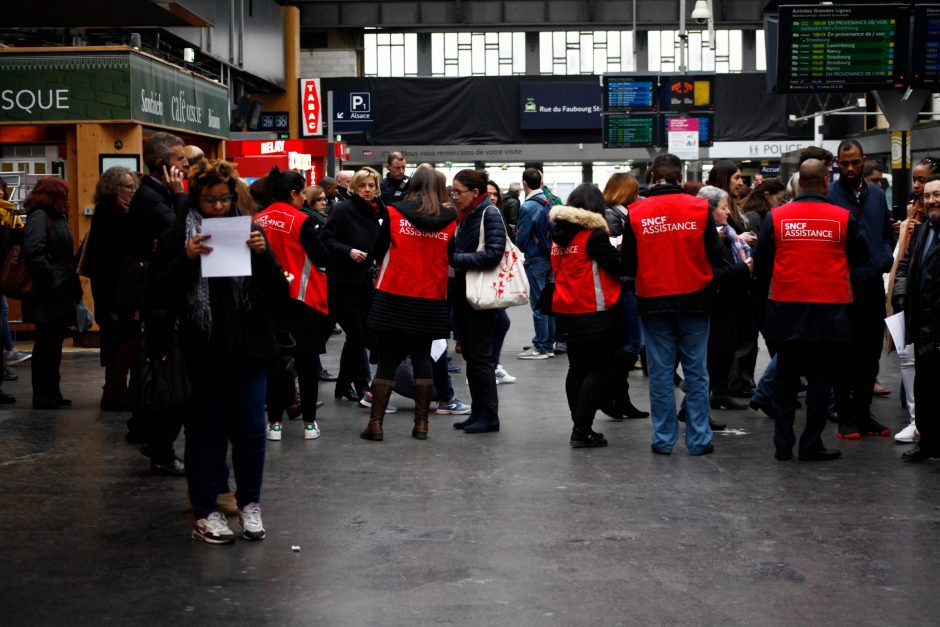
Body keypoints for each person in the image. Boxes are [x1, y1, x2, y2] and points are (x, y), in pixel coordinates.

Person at [148, 159, 288, 544]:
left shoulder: (251, 229)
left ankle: (250, 505)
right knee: (205, 434)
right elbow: (157, 292)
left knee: (250, 432)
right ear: (197, 197)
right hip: (201, 349)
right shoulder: (179, 233)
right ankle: (206, 512)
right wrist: (187, 259)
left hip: (249, 349)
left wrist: (262, 256)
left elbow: (278, 292)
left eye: (225, 199)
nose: (219, 207)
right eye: (211, 200)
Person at [754, 159, 867, 461]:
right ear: (826, 181)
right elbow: (861, 257)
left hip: (787, 310)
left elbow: (762, 262)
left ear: (800, 183)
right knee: (820, 380)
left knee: (785, 379)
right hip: (830, 313)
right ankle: (810, 443)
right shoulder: (843, 218)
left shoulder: (776, 218)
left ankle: (782, 443)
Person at [622, 153, 722, 456]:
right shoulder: (700, 208)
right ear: (680, 177)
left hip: (653, 300)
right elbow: (715, 255)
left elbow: (628, 262)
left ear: (652, 176)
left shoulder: (636, 212)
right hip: (694, 297)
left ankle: (664, 438)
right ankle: (699, 439)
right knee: (697, 370)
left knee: (662, 371)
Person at [360, 167, 458, 441]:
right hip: (430, 298)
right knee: (422, 356)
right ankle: (421, 424)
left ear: (412, 184)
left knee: (389, 359)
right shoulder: (450, 219)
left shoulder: (394, 212)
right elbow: (451, 257)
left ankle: (376, 424)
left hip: (394, 294)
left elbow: (377, 250)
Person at [254, 167, 331, 442]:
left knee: (275, 365)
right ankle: (309, 423)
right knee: (307, 365)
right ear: (293, 193)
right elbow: (321, 258)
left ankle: (274, 424)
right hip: (303, 300)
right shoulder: (304, 222)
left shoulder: (257, 220)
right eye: (302, 192)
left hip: (267, 303)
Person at [828, 139, 895, 439]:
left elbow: (884, 234)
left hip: (870, 286)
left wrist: (883, 260)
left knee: (870, 354)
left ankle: (863, 415)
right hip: (842, 287)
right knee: (843, 354)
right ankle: (846, 417)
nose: (851, 168)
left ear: (863, 160)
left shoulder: (878, 195)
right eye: (845, 163)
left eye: (855, 162)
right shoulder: (830, 196)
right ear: (837, 164)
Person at [550, 184, 624, 447]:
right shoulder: (593, 236)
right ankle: (581, 430)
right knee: (598, 369)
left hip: (565, 310)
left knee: (577, 368)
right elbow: (618, 266)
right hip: (593, 311)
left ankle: (580, 426)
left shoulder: (559, 235)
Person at [320, 167, 386, 402]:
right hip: (343, 282)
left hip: (368, 282)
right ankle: (360, 386)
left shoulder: (381, 210)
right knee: (357, 334)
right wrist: (348, 251)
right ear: (354, 187)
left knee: (361, 335)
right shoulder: (342, 209)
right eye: (363, 186)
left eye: (371, 186)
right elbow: (326, 239)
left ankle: (342, 386)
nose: (367, 190)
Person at [448, 169, 505, 434]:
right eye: (452, 192)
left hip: (481, 298)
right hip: (465, 294)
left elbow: (494, 254)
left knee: (481, 358)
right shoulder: (466, 216)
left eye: (458, 192)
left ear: (474, 192)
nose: (454, 197)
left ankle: (490, 416)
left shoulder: (488, 213)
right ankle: (478, 410)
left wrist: (457, 260)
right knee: (472, 355)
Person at [887, 157, 940, 443]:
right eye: (926, 193)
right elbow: (905, 265)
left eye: (936, 194)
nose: (929, 198)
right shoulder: (920, 227)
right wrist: (901, 294)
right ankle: (924, 433)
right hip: (920, 318)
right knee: (921, 378)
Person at [21, 177, 82, 409]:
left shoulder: (54, 217)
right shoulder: (40, 216)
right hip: (47, 293)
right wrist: (56, 279)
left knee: (53, 344)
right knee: (47, 344)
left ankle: (52, 392)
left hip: (57, 292)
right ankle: (42, 394)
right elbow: (34, 254)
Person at [83, 166, 139, 411]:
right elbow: (114, 255)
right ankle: (115, 391)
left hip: (115, 287)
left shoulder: (115, 211)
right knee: (120, 337)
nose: (133, 191)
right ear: (115, 189)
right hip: (114, 289)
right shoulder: (110, 213)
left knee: (119, 337)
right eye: (129, 186)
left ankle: (115, 388)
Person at [696, 186, 753, 416]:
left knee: (725, 352)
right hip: (715, 302)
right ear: (709, 211)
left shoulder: (725, 233)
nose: (728, 212)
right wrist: (742, 269)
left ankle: (719, 394)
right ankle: (691, 407)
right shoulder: (705, 236)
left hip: (728, 301)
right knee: (714, 356)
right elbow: (708, 275)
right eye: (723, 208)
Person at [601, 171, 648, 420]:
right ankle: (608, 392)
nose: (638, 194)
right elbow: (616, 254)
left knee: (626, 342)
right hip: (625, 285)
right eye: (635, 190)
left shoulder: (618, 213)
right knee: (633, 343)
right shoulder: (613, 215)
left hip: (626, 284)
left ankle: (620, 400)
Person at [516, 168, 556, 359]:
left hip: (535, 257)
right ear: (541, 182)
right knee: (549, 301)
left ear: (525, 183)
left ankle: (541, 346)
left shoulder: (528, 206)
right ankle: (549, 343)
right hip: (551, 256)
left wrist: (520, 247)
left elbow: (523, 237)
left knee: (538, 303)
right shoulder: (551, 200)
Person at [486, 180, 516, 385]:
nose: (493, 197)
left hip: (495, 277)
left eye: (495, 193)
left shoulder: (497, 215)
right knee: (498, 323)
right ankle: (488, 368)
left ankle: (492, 366)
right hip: (486, 277)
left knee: (499, 323)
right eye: (489, 193)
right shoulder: (486, 216)